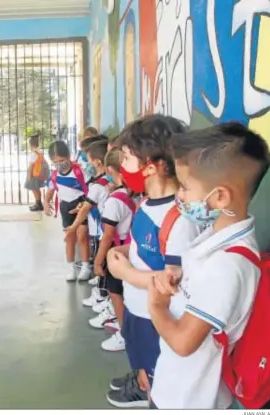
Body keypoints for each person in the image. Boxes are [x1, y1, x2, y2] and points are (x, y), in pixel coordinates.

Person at [149, 123, 269, 409]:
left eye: (186, 187)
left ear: (220, 197)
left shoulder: (227, 265)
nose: (179, 195)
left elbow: (183, 342)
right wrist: (180, 276)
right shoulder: (216, 236)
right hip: (179, 386)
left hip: (189, 400)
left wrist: (155, 306)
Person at [105, 115, 201, 408]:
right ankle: (144, 383)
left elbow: (172, 281)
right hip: (137, 309)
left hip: (156, 319)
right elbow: (142, 248)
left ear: (153, 165)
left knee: (161, 384)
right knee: (146, 369)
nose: (122, 165)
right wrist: (123, 251)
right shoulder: (146, 203)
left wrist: (125, 271)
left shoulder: (179, 219)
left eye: (127, 157)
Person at [93, 147, 135, 352]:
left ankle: (124, 334)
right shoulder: (133, 193)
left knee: (116, 293)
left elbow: (108, 235)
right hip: (131, 248)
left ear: (110, 169)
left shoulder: (114, 201)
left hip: (117, 252)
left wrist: (98, 261)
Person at [67, 140, 110, 308]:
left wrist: (73, 226)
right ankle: (102, 290)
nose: (88, 164)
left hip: (102, 229)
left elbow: (86, 208)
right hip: (100, 226)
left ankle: (101, 295)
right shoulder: (105, 181)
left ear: (97, 162)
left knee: (101, 261)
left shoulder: (99, 184)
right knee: (101, 258)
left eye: (90, 160)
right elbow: (87, 203)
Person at [45, 140, 91, 281]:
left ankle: (85, 266)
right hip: (65, 207)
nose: (59, 164)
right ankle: (71, 267)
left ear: (68, 156)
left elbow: (90, 191)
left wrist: (83, 204)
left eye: (62, 160)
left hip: (81, 206)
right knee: (69, 239)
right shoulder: (54, 175)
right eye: (55, 162)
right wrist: (46, 202)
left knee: (82, 237)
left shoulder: (80, 172)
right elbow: (51, 191)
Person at [25, 133, 48, 212]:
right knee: (37, 189)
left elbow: (31, 166)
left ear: (31, 144)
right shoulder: (39, 152)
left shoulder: (33, 153)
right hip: (38, 174)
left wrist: (29, 177)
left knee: (34, 189)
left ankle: (38, 204)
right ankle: (38, 204)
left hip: (33, 174)